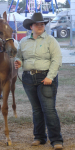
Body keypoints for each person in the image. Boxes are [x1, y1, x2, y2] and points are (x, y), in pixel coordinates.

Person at [14, 12, 63, 150]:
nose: (40, 26)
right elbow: (19, 57)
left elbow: (57, 60)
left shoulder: (51, 40)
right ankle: (39, 137)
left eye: (42, 24)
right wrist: (17, 62)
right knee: (36, 110)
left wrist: (50, 77)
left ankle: (56, 140)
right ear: (31, 26)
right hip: (28, 78)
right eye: (37, 24)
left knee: (49, 110)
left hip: (46, 77)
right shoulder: (23, 42)